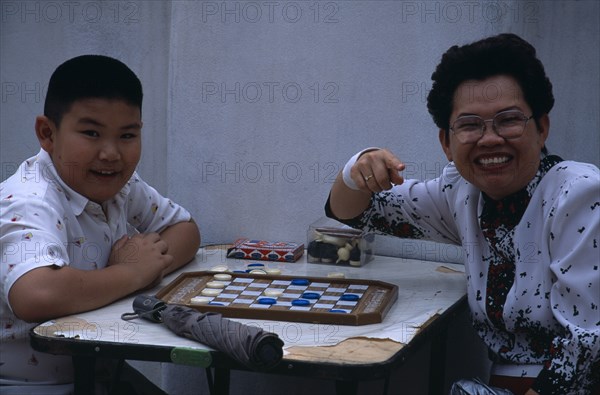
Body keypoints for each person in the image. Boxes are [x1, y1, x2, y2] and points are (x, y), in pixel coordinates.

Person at [326, 33, 599, 395]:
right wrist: (361, 166)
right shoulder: (463, 193)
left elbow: (586, 344)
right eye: (470, 125)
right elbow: (353, 212)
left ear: (542, 127)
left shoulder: (578, 194)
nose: (489, 139)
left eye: (509, 120)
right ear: (446, 143)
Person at [0, 55, 201, 393]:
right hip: (28, 385)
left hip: (97, 373)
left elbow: (186, 230)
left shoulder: (122, 186)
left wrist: (143, 264)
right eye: (91, 133)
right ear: (47, 134)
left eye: (127, 135)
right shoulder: (29, 199)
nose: (111, 154)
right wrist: (132, 273)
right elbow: (35, 294)